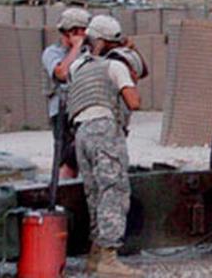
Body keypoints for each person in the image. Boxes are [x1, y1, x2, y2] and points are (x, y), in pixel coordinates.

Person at [68, 15, 144, 277]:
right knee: (114, 191)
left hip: (80, 134)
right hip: (104, 130)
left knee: (95, 195)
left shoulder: (78, 66)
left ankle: (95, 256)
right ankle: (109, 260)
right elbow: (134, 102)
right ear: (107, 42)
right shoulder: (114, 66)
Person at [41, 7, 91, 179]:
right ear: (71, 32)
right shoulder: (52, 52)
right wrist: (76, 47)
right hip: (62, 113)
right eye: (82, 31)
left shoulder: (87, 52)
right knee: (66, 160)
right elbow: (61, 73)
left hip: (83, 110)